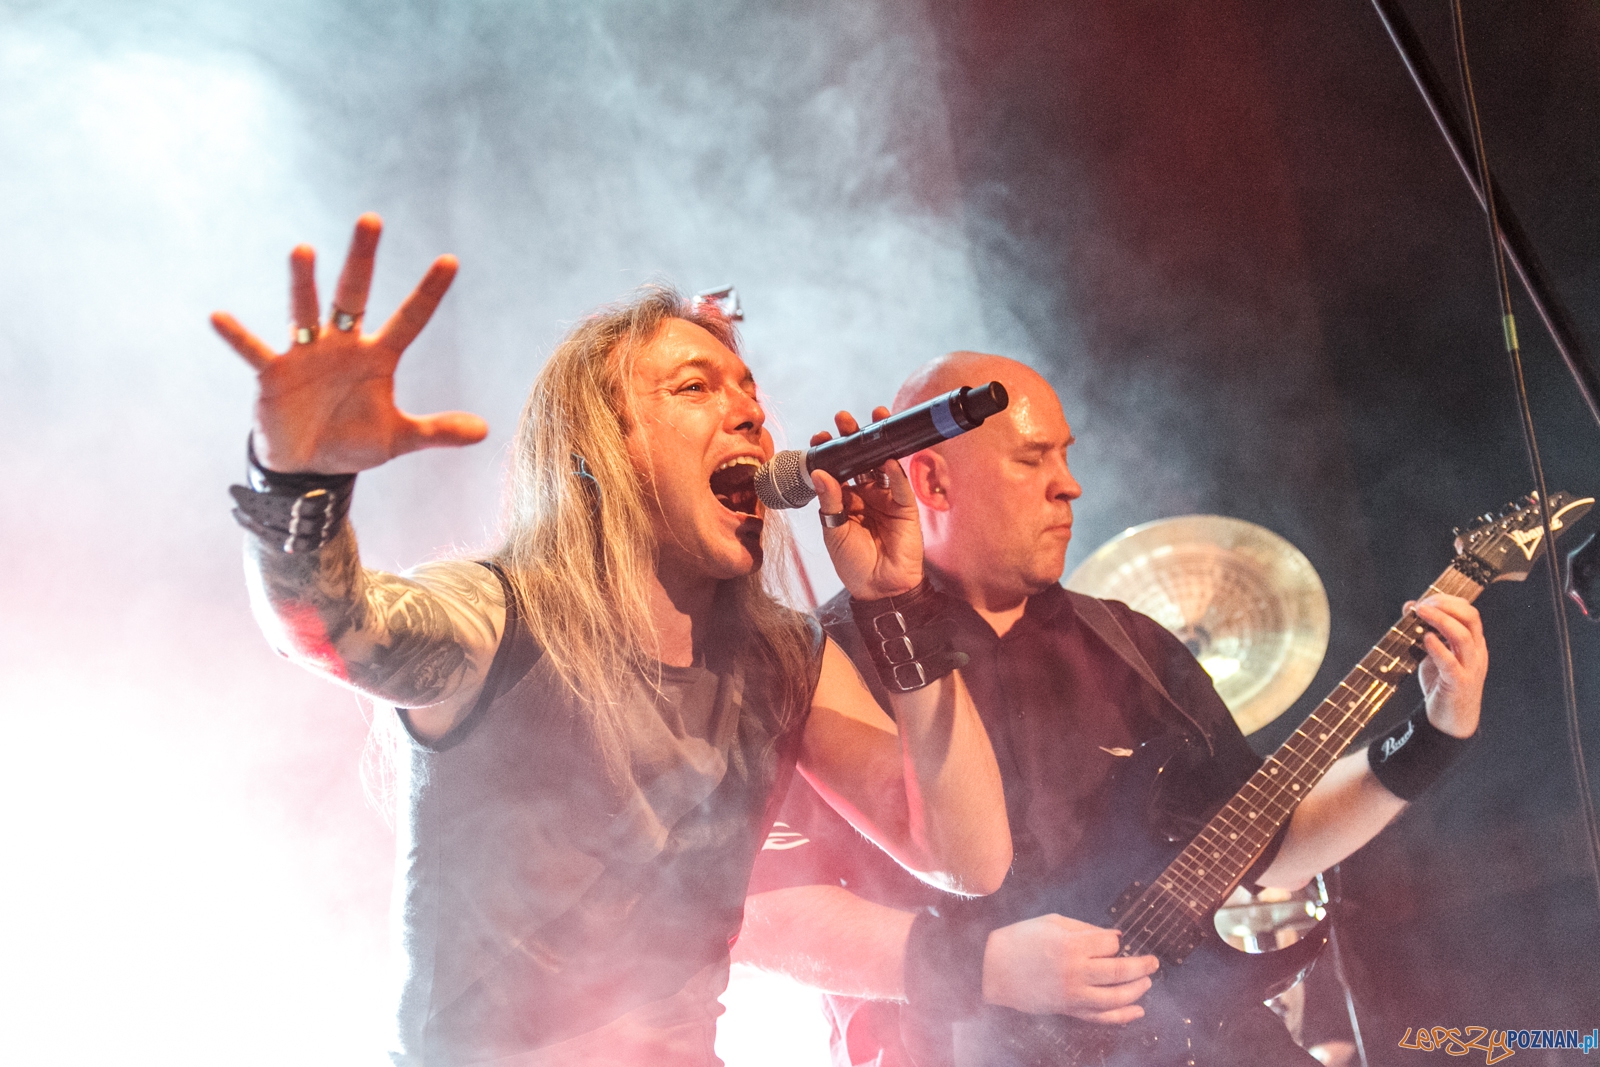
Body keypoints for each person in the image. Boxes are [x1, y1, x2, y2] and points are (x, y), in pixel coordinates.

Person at [210, 215, 1013, 1067]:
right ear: (599, 447)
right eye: (695, 387)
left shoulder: (780, 661)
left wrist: (897, 604)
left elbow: (968, 857)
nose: (749, 413)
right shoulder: (502, 616)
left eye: (751, 394)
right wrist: (297, 482)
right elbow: (328, 625)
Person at [734, 351, 1488, 1066]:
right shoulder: (828, 662)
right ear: (932, 481)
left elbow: (1263, 846)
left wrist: (1435, 733)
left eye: (1066, 456)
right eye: (1032, 459)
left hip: (1190, 1034)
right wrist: (981, 963)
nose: (1069, 486)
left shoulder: (1133, 646)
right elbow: (764, 913)